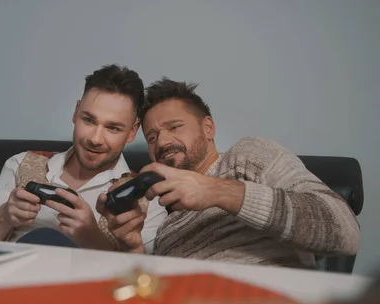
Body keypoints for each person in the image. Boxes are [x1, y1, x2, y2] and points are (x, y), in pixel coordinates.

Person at [137, 77, 360, 268]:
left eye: (174, 127)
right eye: (152, 137)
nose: (162, 142)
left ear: (208, 128)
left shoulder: (246, 155)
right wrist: (131, 246)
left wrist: (217, 191)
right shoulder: (167, 226)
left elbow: (345, 232)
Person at [0, 65, 167, 253]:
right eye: (89, 120)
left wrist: (91, 238)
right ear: (76, 113)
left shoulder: (148, 200)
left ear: (132, 131)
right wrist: (4, 216)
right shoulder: (20, 164)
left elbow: (145, 278)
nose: (95, 139)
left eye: (113, 128)